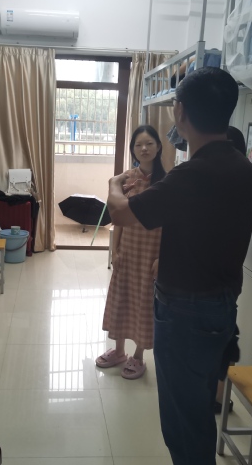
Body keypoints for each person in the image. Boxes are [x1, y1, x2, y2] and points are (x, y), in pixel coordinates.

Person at [107, 67, 252, 464]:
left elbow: (119, 213)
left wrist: (114, 184)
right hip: (221, 305)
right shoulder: (242, 166)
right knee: (198, 409)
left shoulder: (192, 174)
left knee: (182, 420)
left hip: (186, 312)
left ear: (179, 111)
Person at [96, 125, 166, 379]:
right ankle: (118, 351)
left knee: (143, 303)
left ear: (158, 147)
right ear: (133, 150)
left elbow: (172, 224)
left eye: (149, 143)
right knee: (122, 298)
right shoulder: (126, 179)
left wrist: (162, 258)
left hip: (151, 253)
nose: (144, 149)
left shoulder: (167, 183)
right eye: (138, 145)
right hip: (128, 249)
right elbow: (118, 218)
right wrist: (115, 250)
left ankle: (138, 356)